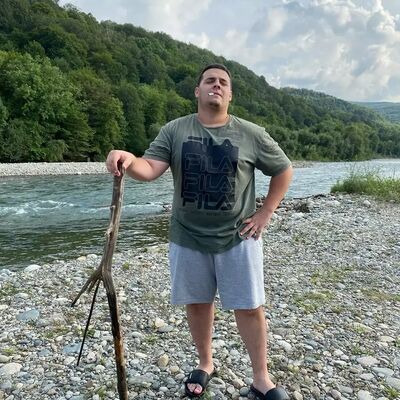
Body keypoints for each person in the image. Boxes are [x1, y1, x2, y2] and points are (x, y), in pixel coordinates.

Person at [106, 63, 293, 400]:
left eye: (223, 82)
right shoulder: (175, 130)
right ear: (197, 90)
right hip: (187, 236)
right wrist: (128, 159)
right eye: (209, 81)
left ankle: (261, 378)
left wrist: (265, 212)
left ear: (230, 94)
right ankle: (206, 363)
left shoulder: (252, 133)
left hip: (238, 236)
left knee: (250, 306)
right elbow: (150, 168)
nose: (216, 85)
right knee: (197, 303)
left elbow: (283, 170)